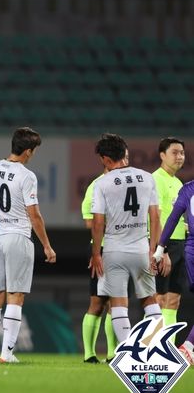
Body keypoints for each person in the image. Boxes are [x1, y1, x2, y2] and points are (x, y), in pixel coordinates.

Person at [0, 127, 56, 363]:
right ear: (27, 151)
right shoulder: (26, 175)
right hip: (18, 238)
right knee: (15, 296)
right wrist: (46, 245)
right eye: (33, 151)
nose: (32, 155)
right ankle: (7, 353)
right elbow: (34, 215)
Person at [90, 133, 169, 344]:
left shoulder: (102, 184)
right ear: (125, 154)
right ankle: (158, 349)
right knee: (150, 300)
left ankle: (126, 352)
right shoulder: (147, 177)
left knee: (118, 304)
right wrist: (155, 249)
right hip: (141, 249)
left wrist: (96, 253)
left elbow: (98, 222)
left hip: (115, 251)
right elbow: (155, 217)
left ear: (106, 159)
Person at [80, 151, 128, 364]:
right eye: (122, 157)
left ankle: (112, 354)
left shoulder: (129, 185)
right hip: (104, 249)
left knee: (116, 304)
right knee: (97, 303)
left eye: (127, 157)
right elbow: (90, 222)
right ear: (107, 161)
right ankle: (89, 354)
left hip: (124, 249)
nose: (125, 162)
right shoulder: (97, 186)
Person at [153, 178, 194, 365]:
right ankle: (188, 347)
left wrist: (161, 247)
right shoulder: (159, 179)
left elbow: (173, 218)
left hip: (190, 250)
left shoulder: (187, 188)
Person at [152, 138, 185, 341]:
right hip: (165, 245)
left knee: (174, 300)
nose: (180, 156)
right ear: (162, 155)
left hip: (180, 244)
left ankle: (168, 347)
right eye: (175, 152)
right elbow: (154, 217)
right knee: (159, 299)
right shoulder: (156, 179)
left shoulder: (178, 182)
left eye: (182, 152)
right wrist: (161, 249)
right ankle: (156, 346)